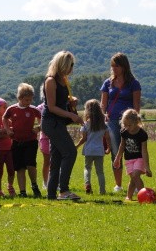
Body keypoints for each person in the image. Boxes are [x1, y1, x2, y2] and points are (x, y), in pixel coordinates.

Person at [41, 51, 84, 200]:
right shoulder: (51, 81)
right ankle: (64, 190)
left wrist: (71, 101)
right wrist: (71, 115)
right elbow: (52, 107)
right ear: (63, 65)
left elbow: (60, 100)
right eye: (70, 65)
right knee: (70, 152)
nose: (72, 68)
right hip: (51, 122)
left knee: (57, 158)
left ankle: (51, 194)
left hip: (58, 122)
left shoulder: (63, 80)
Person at [100, 52, 141, 193]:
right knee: (115, 151)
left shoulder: (134, 83)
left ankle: (133, 184)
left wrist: (135, 123)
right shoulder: (107, 83)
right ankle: (118, 185)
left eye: (116, 66)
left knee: (131, 152)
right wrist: (103, 115)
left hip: (128, 123)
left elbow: (136, 105)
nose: (113, 68)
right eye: (112, 66)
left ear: (124, 66)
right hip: (111, 121)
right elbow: (103, 104)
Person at [3, 83, 43, 198]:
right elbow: (4, 118)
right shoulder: (12, 109)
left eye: (30, 100)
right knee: (20, 168)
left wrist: (39, 127)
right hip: (17, 142)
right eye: (26, 100)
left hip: (30, 141)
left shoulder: (33, 110)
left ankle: (34, 185)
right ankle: (22, 191)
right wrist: (8, 130)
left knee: (31, 164)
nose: (28, 102)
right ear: (19, 98)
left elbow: (42, 118)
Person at [113, 109, 152, 201]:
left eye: (129, 125)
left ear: (136, 122)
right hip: (129, 159)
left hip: (139, 158)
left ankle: (144, 196)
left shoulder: (142, 134)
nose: (127, 127)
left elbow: (144, 151)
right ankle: (129, 197)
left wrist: (147, 167)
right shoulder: (124, 132)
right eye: (125, 125)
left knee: (135, 175)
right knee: (133, 178)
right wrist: (117, 158)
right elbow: (122, 146)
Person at [76, 99, 111, 195]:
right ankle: (102, 190)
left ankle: (87, 184)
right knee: (100, 172)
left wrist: (77, 146)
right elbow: (107, 137)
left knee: (87, 168)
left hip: (88, 150)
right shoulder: (104, 125)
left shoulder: (86, 124)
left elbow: (84, 139)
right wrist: (108, 148)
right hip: (99, 151)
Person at [36, 98, 50, 190]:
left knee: (56, 162)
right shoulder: (40, 108)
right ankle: (45, 182)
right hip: (45, 138)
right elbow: (40, 124)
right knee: (47, 161)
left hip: (56, 137)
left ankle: (54, 182)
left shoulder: (57, 105)